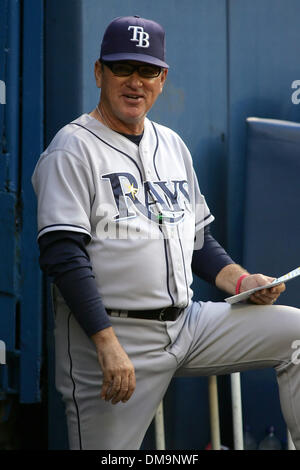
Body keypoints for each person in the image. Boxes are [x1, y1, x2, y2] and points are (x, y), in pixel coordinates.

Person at [32, 15, 300, 450]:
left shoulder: (172, 144)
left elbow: (197, 240)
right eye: (122, 68)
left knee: (296, 333)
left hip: (189, 324)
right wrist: (106, 343)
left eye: (147, 70)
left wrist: (241, 280)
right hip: (114, 336)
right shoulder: (72, 148)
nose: (134, 82)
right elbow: (63, 254)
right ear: (99, 72)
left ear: (162, 78)